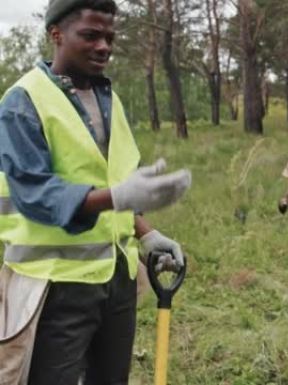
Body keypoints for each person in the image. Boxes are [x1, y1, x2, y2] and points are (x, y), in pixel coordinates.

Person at [0, 0, 192, 383]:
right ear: (56, 35)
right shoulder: (22, 103)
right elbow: (38, 194)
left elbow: (114, 183)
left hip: (116, 279)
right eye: (90, 35)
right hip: (55, 286)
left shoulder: (109, 100)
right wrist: (120, 196)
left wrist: (147, 233)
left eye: (109, 37)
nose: (104, 46)